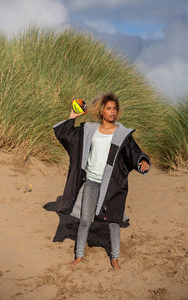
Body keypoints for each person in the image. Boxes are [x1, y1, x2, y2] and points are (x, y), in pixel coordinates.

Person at [53, 92, 150, 270]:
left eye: (115, 108)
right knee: (84, 220)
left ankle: (115, 259)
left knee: (113, 222)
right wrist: (72, 116)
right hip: (91, 181)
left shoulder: (122, 134)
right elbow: (67, 136)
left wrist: (141, 161)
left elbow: (134, 152)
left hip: (112, 185)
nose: (112, 111)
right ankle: (79, 256)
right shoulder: (90, 130)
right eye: (108, 108)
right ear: (101, 110)